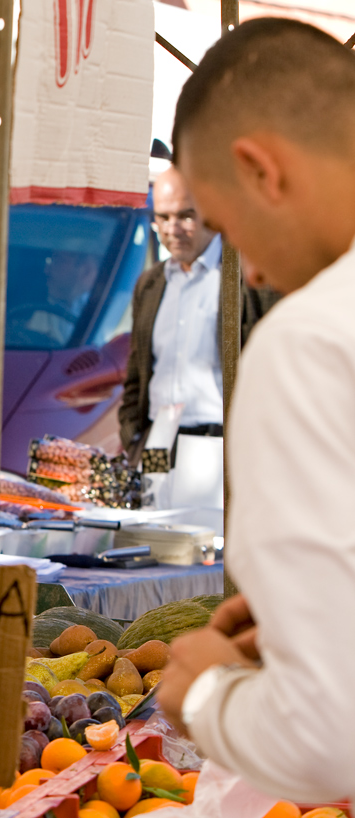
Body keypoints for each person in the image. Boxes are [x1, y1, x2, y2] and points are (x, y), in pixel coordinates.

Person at [156, 19, 355, 805]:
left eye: (231, 230)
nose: (257, 270)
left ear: (259, 168)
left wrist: (205, 697)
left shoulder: (311, 340)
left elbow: (328, 737)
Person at [118, 166, 278, 466]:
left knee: (210, 515)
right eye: (163, 218)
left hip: (219, 441)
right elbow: (137, 373)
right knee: (154, 513)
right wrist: (134, 438)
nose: (173, 228)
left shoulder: (244, 278)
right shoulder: (151, 284)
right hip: (158, 439)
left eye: (185, 216)